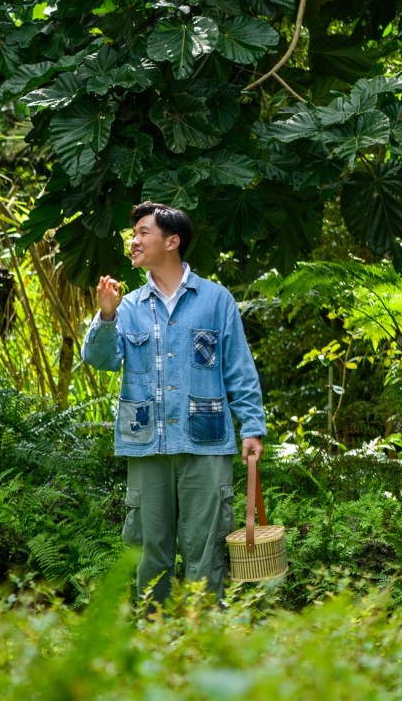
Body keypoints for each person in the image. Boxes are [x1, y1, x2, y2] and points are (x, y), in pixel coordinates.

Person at [84, 202, 266, 605]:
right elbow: (100, 360)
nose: (134, 241)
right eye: (133, 234)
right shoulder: (127, 306)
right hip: (146, 442)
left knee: (207, 551)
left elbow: (238, 368)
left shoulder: (216, 300)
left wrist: (252, 426)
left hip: (206, 441)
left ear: (172, 241)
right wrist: (107, 316)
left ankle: (206, 643)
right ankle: (154, 645)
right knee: (150, 550)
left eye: (143, 233)